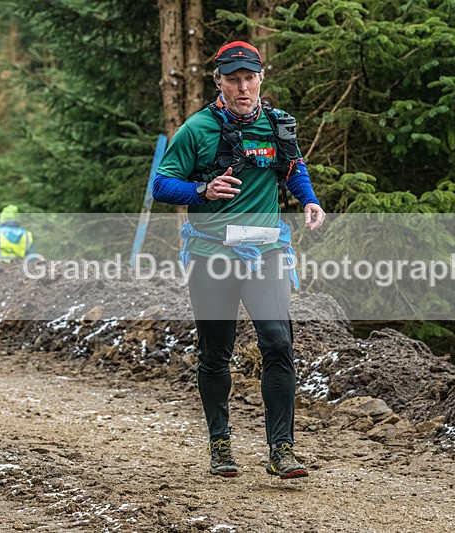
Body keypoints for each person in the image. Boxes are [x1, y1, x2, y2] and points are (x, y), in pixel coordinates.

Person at [152, 41, 325, 479]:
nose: (243, 87)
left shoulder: (277, 125)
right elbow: (161, 185)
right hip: (211, 255)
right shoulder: (197, 130)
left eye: (250, 78)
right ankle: (220, 442)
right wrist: (201, 191)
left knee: (278, 343)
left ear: (261, 79)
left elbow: (293, 169)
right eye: (234, 80)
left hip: (266, 252)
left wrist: (309, 200)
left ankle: (281, 450)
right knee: (216, 352)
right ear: (219, 82)